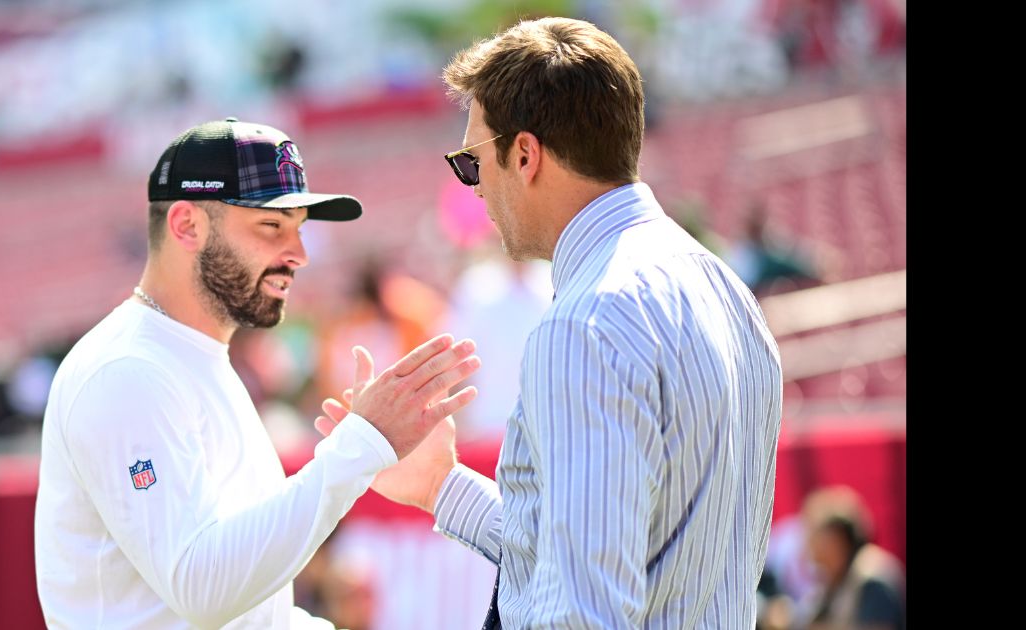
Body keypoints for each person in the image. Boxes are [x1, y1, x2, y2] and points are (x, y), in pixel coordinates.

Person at [318, 17, 783, 628]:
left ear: (525, 154)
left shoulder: (584, 324)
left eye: (471, 161)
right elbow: (622, 559)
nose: (475, 188)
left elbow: (581, 612)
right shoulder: (727, 291)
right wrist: (440, 484)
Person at [33, 117, 481, 629]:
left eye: (299, 229)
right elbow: (200, 589)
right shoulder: (128, 371)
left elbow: (246, 610)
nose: (299, 255)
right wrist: (362, 445)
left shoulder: (193, 355)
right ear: (186, 226)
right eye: (271, 226)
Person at [798, 486, 905, 630]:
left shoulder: (872, 578)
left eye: (815, 535)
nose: (809, 544)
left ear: (837, 539)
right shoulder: (838, 576)